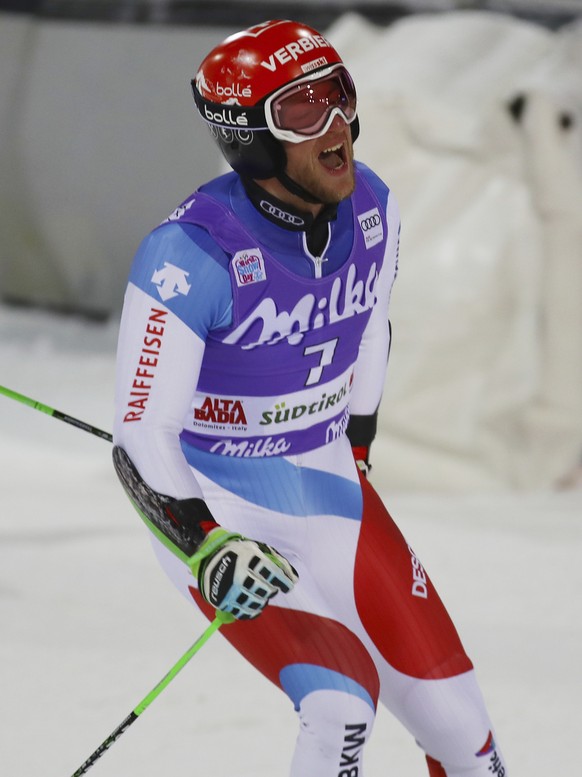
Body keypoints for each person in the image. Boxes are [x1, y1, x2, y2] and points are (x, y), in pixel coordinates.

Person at [113, 19, 507, 777]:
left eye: (338, 97)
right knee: (341, 704)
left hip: (327, 482)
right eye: (301, 112)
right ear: (249, 139)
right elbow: (140, 434)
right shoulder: (189, 254)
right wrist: (205, 543)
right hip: (220, 509)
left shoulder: (375, 209)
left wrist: (355, 447)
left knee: (464, 732)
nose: (337, 127)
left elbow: (367, 334)